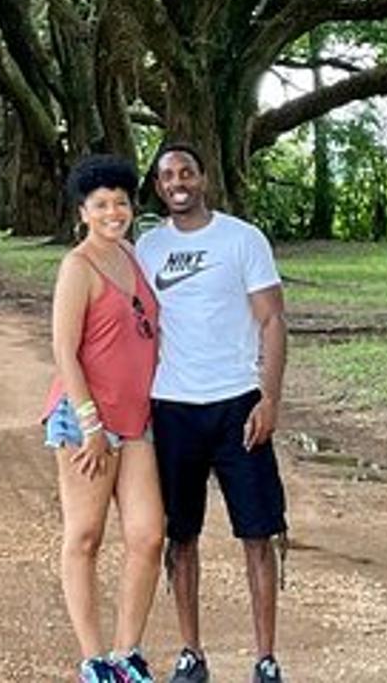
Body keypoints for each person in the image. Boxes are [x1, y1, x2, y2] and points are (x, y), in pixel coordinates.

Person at [133, 139, 290, 683]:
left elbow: (272, 321)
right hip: (173, 407)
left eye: (187, 173)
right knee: (181, 536)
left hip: (237, 404)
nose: (178, 183)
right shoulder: (147, 248)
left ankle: (265, 658)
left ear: (203, 178)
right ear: (159, 187)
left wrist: (269, 398)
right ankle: (191, 653)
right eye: (167, 176)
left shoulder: (242, 239)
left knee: (258, 532)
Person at [43, 154, 166, 683]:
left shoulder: (132, 256)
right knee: (86, 536)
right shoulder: (79, 267)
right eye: (100, 204)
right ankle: (94, 660)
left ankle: (126, 653)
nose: (113, 212)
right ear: (82, 212)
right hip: (86, 419)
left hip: (137, 419)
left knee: (148, 536)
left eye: (120, 202)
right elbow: (64, 351)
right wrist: (91, 425)